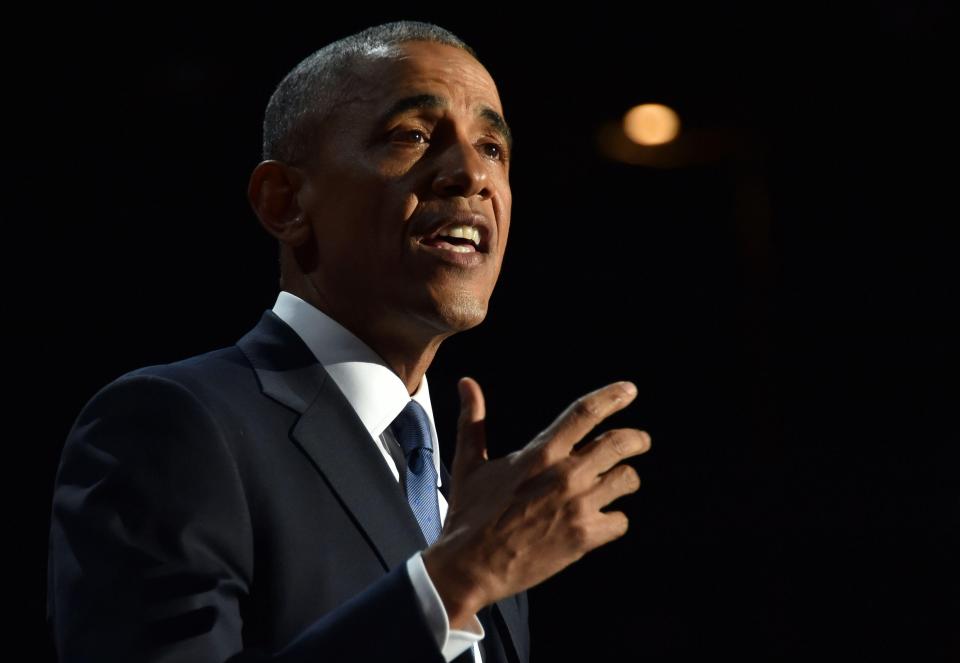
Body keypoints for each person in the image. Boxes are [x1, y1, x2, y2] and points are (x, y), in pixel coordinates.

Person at [46, 20, 652, 663]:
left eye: (493, 150)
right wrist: (451, 586)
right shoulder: (173, 424)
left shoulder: (471, 506)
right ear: (283, 202)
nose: (471, 175)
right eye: (414, 135)